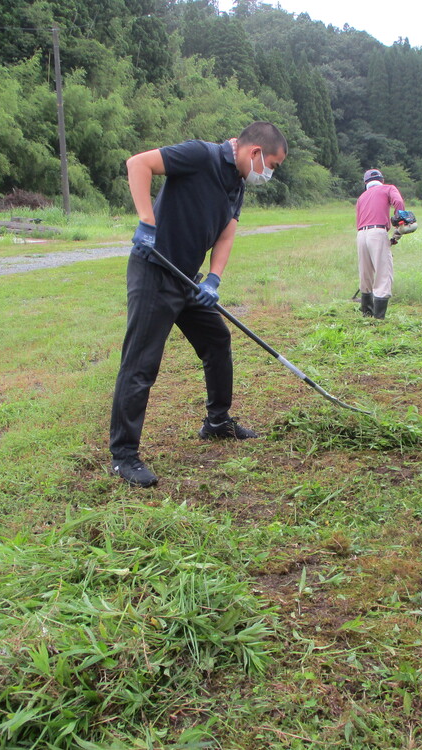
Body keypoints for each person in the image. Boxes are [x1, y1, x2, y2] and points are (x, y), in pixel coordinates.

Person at [109, 122, 288, 487]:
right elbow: (137, 164)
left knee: (217, 341)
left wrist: (214, 278)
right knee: (141, 363)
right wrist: (147, 220)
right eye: (272, 164)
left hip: (187, 278)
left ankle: (218, 421)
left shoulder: (236, 184)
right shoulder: (199, 155)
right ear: (255, 153)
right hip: (155, 270)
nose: (269, 174)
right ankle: (123, 455)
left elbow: (226, 233)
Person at [355, 168, 406, 319]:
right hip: (377, 232)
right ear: (381, 180)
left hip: (361, 234)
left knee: (365, 272)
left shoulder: (361, 197)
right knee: (383, 273)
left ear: (366, 183)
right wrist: (399, 221)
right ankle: (379, 317)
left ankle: (366, 312)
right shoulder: (388, 188)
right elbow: (399, 202)